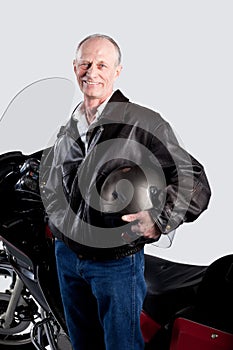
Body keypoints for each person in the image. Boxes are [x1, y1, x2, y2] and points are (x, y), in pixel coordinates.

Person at [40, 34, 211, 350]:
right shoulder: (72, 124)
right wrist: (56, 220)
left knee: (121, 346)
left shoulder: (143, 122)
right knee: (83, 344)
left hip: (114, 262)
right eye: (86, 63)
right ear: (74, 67)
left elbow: (195, 182)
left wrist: (159, 219)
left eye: (102, 64)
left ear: (117, 71)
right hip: (68, 257)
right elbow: (53, 177)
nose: (93, 72)